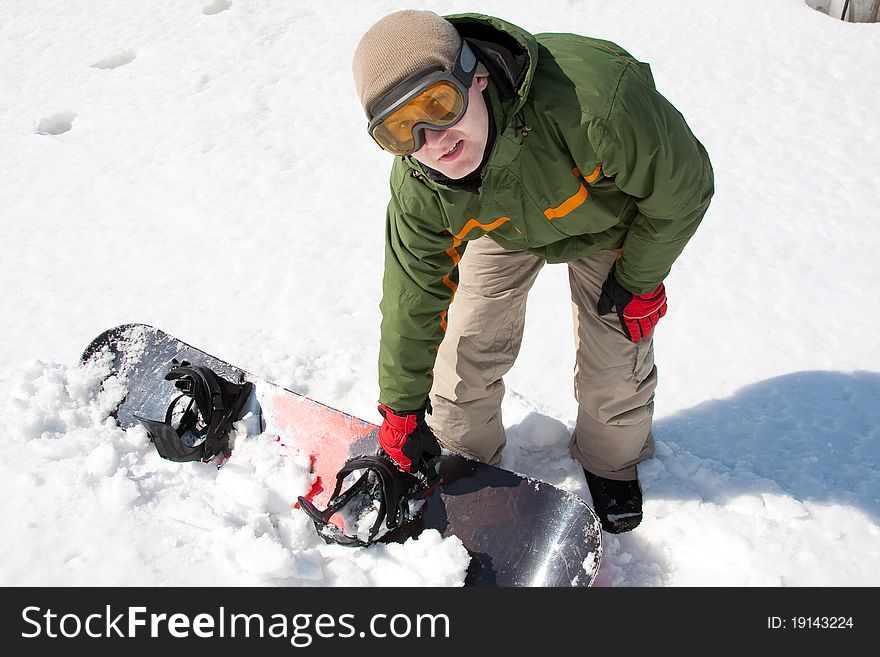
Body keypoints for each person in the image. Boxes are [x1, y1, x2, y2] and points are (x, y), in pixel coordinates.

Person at [352, 10, 714, 533]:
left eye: (439, 104)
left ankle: (609, 463)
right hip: (502, 224)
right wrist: (401, 408)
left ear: (474, 76)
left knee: (615, 354)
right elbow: (413, 292)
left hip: (607, 218)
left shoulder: (595, 105)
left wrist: (639, 278)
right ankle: (464, 454)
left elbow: (684, 188)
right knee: (468, 337)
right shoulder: (424, 183)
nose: (433, 138)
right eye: (401, 128)